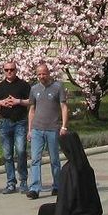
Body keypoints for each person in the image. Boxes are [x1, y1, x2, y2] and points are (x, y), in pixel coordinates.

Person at [35, 131, 102, 215]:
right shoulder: (86, 167)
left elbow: (66, 200)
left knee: (45, 211)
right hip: (91, 212)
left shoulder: (69, 170)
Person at [26, 61, 69, 200]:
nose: (41, 76)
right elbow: (32, 110)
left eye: (44, 73)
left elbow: (63, 107)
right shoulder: (34, 89)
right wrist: (30, 129)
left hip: (53, 128)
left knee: (54, 159)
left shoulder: (57, 87)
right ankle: (34, 188)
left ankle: (57, 185)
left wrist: (64, 126)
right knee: (35, 159)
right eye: (39, 74)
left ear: (48, 73)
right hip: (37, 129)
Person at [0, 61, 32, 194]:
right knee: (7, 155)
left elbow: (31, 101)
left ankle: (23, 181)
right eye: (7, 70)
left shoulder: (23, 85)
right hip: (5, 123)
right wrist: (1, 102)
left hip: (20, 122)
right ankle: (10, 182)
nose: (9, 72)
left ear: (16, 70)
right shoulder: (0, 86)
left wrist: (18, 101)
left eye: (12, 70)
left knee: (20, 151)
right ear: (3, 71)